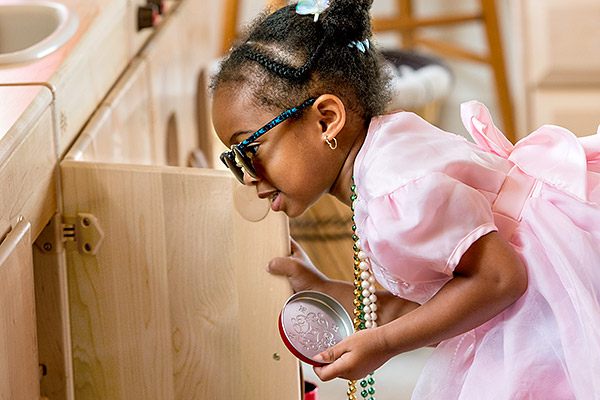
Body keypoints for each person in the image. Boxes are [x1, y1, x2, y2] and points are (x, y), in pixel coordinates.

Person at [210, 0, 600, 398]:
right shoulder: (382, 152)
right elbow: (439, 308)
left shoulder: (393, 190)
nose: (247, 177)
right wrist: (329, 289)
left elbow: (501, 278)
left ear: (327, 119)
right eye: (233, 160)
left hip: (549, 302)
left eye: (248, 150)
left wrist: (383, 345)